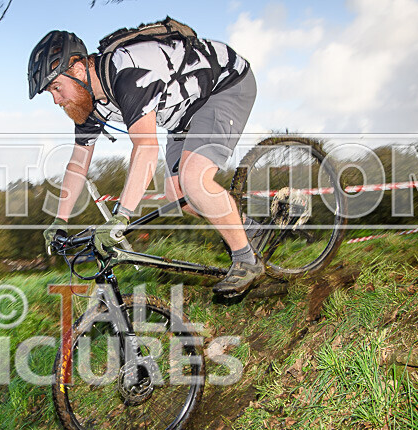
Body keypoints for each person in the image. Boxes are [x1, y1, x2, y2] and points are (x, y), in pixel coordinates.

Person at [30, 23, 262, 294]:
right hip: (183, 115)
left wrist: (122, 216)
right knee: (178, 195)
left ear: (79, 69)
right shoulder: (90, 103)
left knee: (193, 179)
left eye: (57, 88)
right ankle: (250, 228)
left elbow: (145, 147)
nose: (57, 100)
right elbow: (78, 161)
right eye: (51, 93)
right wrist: (60, 221)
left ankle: (246, 259)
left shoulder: (126, 73)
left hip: (223, 85)